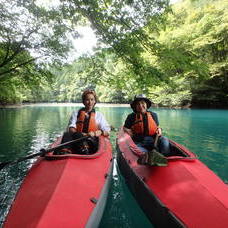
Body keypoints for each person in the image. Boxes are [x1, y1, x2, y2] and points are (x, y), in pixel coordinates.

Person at [59, 89, 110, 154]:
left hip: (91, 140)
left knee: (77, 137)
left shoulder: (99, 115)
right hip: (77, 139)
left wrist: (99, 132)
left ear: (95, 101)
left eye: (92, 99)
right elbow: (71, 128)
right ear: (83, 101)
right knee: (67, 134)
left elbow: (107, 130)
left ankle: (85, 150)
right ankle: (65, 152)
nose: (90, 102)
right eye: (87, 100)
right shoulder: (76, 113)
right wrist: (83, 134)